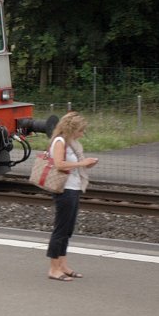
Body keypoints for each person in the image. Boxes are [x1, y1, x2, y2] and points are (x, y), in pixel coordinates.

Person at [46, 111, 99, 281]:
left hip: (74, 188)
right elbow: (59, 164)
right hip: (64, 189)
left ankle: (63, 265)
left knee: (68, 230)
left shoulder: (71, 143)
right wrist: (83, 163)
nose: (82, 134)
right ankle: (54, 269)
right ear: (72, 129)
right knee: (61, 229)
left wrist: (85, 164)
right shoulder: (60, 141)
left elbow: (72, 165)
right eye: (80, 130)